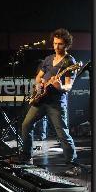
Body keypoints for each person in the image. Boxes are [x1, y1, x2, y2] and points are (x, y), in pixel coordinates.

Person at [20, 28, 80, 175]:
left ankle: (73, 165)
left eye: (59, 44)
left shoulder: (70, 62)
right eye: (54, 43)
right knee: (26, 125)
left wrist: (60, 86)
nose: (56, 46)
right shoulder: (48, 59)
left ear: (66, 45)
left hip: (56, 103)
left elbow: (68, 85)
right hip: (41, 100)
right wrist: (39, 85)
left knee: (62, 134)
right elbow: (38, 77)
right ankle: (27, 158)